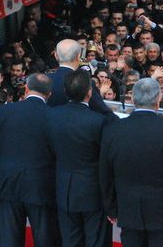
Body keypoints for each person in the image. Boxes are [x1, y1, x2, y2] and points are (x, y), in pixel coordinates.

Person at [99, 78, 163, 247]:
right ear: (159, 98)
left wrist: (110, 207)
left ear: (132, 100)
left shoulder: (113, 130)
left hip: (130, 211)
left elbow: (105, 172)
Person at [0, 73, 58, 247]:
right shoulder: (55, 116)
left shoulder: (4, 111)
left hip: (7, 184)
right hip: (41, 187)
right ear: (49, 94)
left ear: (26, 89)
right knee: (44, 240)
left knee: (9, 241)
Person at [47, 69, 108, 247]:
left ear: (66, 92)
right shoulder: (98, 121)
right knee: (95, 240)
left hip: (64, 188)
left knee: (70, 241)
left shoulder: (52, 115)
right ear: (90, 93)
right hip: (93, 191)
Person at [48, 39, 113, 117]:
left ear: (56, 56)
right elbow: (103, 112)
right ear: (79, 56)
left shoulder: (44, 80)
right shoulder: (86, 83)